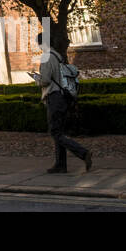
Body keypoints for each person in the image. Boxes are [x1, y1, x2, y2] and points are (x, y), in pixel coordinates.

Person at [31, 31, 92, 174]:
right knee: (59, 131)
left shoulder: (46, 57)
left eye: (39, 43)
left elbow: (45, 80)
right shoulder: (58, 56)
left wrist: (36, 78)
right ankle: (60, 165)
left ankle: (83, 153)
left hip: (54, 97)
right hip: (63, 97)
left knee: (55, 132)